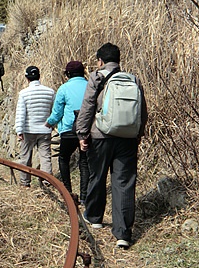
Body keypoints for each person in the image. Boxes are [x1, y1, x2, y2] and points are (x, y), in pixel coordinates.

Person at [75, 43, 148, 249]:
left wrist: (82, 134)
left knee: (97, 176)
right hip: (127, 139)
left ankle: (95, 217)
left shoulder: (96, 77)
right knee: (124, 183)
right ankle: (123, 233)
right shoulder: (133, 79)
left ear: (100, 60)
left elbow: (88, 106)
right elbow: (142, 111)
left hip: (101, 136)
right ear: (119, 60)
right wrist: (138, 134)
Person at [45, 61, 89, 205]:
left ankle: (67, 192)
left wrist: (50, 122)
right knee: (85, 162)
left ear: (68, 74)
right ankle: (84, 196)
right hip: (87, 130)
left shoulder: (64, 88)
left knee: (63, 158)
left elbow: (57, 112)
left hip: (69, 130)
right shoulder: (90, 86)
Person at [14, 66, 55, 187]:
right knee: (45, 156)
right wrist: (51, 125)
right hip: (45, 130)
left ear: (27, 78)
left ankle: (25, 182)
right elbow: (53, 111)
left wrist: (19, 130)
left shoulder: (23, 93)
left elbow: (21, 113)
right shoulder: (50, 92)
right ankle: (48, 181)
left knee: (25, 157)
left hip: (29, 130)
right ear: (39, 76)